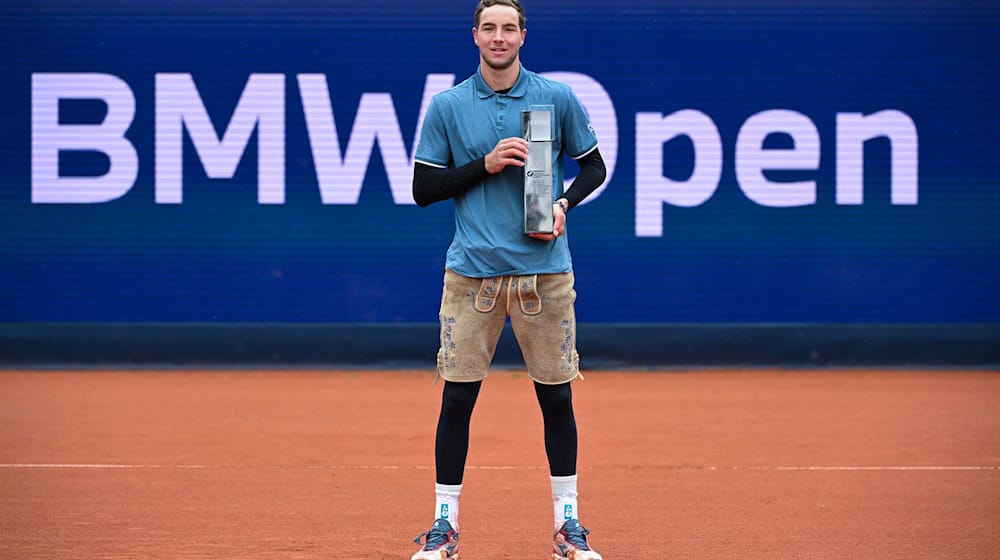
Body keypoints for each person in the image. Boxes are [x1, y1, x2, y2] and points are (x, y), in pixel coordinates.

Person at [408, 1, 607, 559]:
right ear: (475, 36)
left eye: (509, 28)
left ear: (523, 36)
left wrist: (564, 202)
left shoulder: (556, 98)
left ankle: (569, 528)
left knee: (557, 402)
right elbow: (424, 189)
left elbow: (594, 166)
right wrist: (486, 164)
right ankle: (444, 529)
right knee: (457, 402)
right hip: (472, 277)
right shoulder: (448, 106)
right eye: (489, 28)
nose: (499, 37)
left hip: (546, 278)